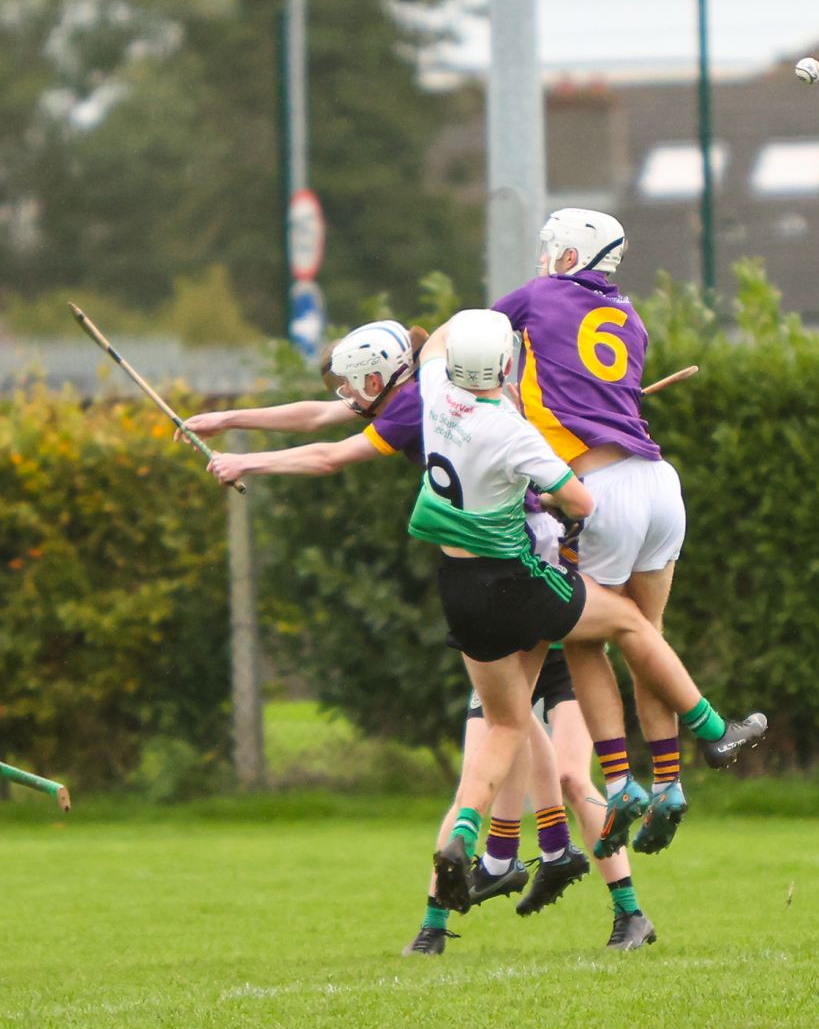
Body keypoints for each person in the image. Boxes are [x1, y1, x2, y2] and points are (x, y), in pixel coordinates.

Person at [180, 320, 604, 951]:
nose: (348, 397)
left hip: (511, 562)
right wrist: (229, 419)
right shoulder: (417, 385)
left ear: (379, 378)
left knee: (506, 723)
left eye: (356, 387)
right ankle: (542, 850)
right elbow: (321, 415)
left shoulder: (413, 405)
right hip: (498, 559)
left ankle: (513, 864)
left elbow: (329, 454)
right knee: (516, 718)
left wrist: (248, 461)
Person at [408, 308, 766, 913]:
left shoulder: (436, 394)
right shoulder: (514, 431)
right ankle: (713, 729)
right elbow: (579, 500)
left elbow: (433, 346)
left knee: (503, 725)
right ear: (504, 364)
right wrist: (542, 486)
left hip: (459, 590)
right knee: (627, 620)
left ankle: (465, 838)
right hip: (517, 583)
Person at [491, 208, 766, 859]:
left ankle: (623, 780)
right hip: (658, 485)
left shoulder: (537, 296)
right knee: (646, 635)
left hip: (605, 492)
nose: (542, 258)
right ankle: (667, 783)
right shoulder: (631, 318)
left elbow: (477, 340)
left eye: (549, 248)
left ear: (567, 256)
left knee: (588, 641)